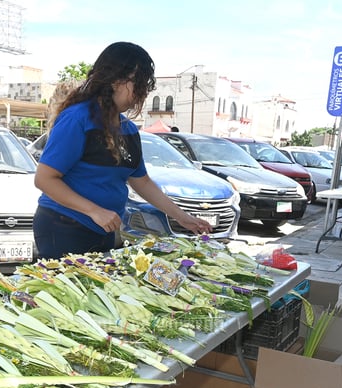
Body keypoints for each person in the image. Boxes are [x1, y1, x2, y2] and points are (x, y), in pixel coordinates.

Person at [33, 42, 212, 258]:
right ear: (117, 79)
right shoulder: (78, 119)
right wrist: (94, 211)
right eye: (140, 83)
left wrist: (182, 217)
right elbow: (45, 179)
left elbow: (142, 181)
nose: (143, 93)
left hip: (105, 229)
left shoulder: (127, 129)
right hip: (64, 226)